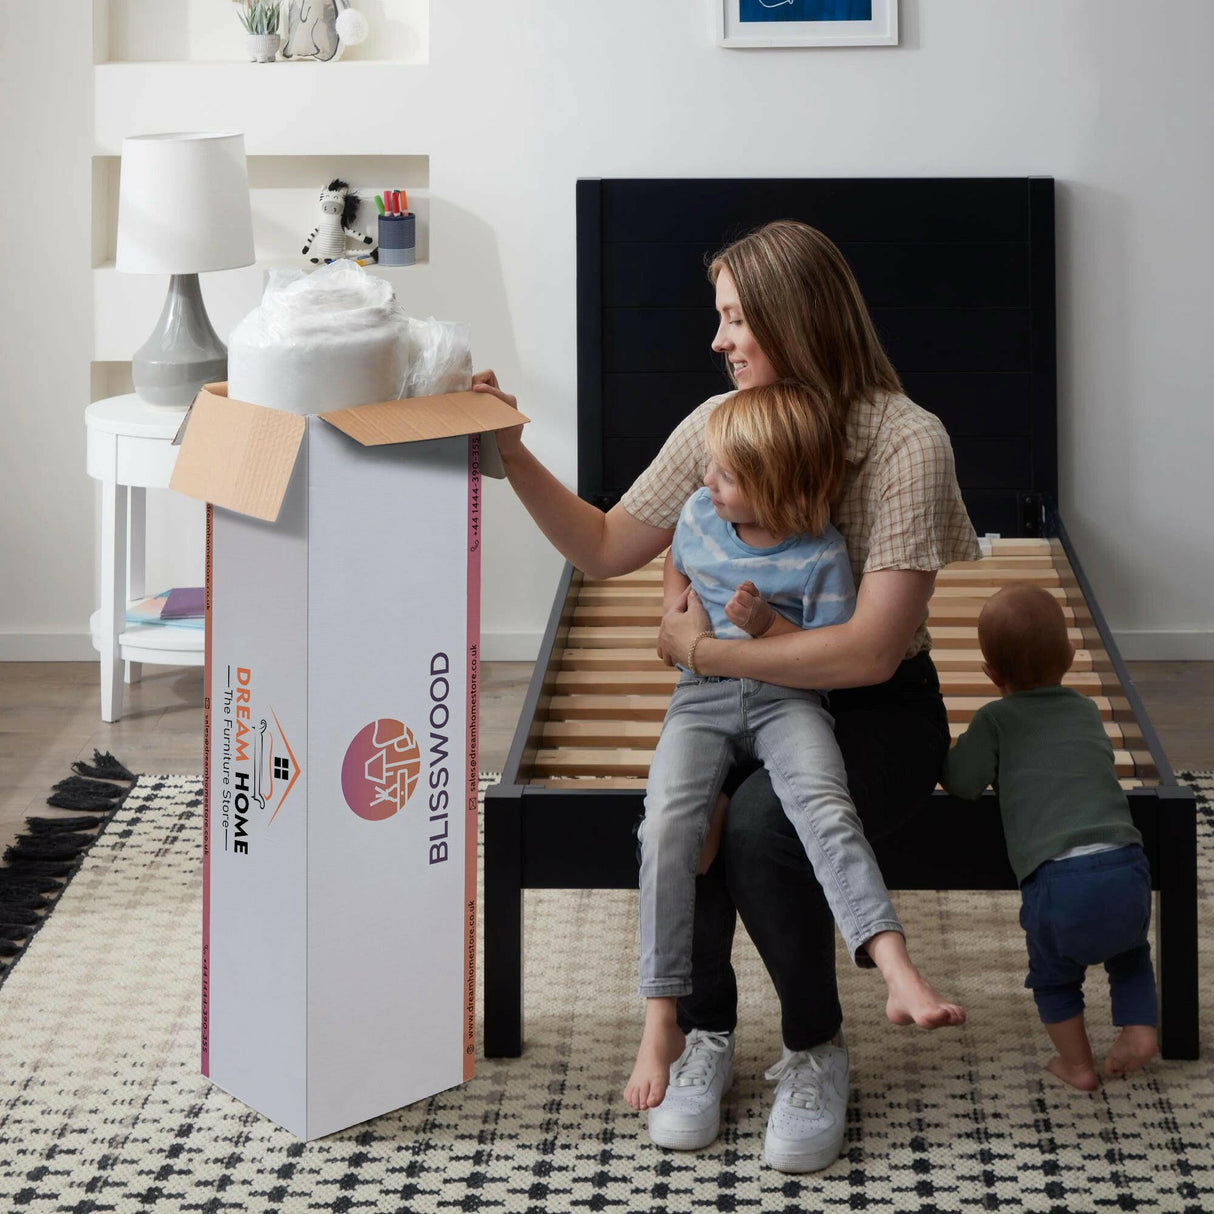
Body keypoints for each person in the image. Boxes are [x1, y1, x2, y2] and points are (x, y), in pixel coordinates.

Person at [473, 218, 980, 1173]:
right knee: (691, 807)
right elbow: (604, 546)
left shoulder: (908, 441)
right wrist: (509, 451)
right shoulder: (718, 427)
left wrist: (703, 651)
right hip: (742, 679)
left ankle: (814, 1046)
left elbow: (870, 651)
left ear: (794, 320)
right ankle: (702, 1032)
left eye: (736, 318)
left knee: (759, 827)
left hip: (874, 705)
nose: (719, 340)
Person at [625, 382, 965, 1119]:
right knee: (670, 826)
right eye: (709, 469)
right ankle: (667, 1025)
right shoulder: (696, 514)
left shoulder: (823, 554)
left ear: (780, 485)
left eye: (726, 475)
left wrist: (764, 628)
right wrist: (678, 624)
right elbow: (673, 576)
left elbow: (828, 650)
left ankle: (894, 966)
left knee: (820, 809)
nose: (707, 482)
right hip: (701, 699)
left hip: (789, 699)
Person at [940, 583, 1158, 1091]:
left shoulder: (996, 718)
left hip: (1060, 880)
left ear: (991, 675)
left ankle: (1077, 1065)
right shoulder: (1085, 709)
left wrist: (945, 748)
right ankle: (1139, 1029)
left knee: (1055, 976)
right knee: (1130, 952)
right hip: (1126, 862)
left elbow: (963, 784)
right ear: (1071, 655)